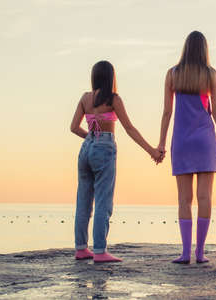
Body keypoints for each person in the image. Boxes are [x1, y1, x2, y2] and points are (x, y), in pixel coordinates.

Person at [70, 60, 162, 263]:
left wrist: (91, 138)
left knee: (83, 200)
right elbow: (129, 129)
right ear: (111, 78)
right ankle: (100, 251)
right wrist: (152, 151)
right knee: (103, 200)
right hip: (104, 147)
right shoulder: (113, 99)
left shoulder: (85, 98)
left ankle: (81, 248)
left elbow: (74, 127)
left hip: (85, 149)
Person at [157, 31, 216, 264]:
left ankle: (185, 253)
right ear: (205, 50)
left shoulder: (173, 74)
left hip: (181, 141)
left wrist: (160, 144)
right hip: (205, 140)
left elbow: (167, 112)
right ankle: (200, 253)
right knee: (205, 197)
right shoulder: (211, 75)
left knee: (184, 199)